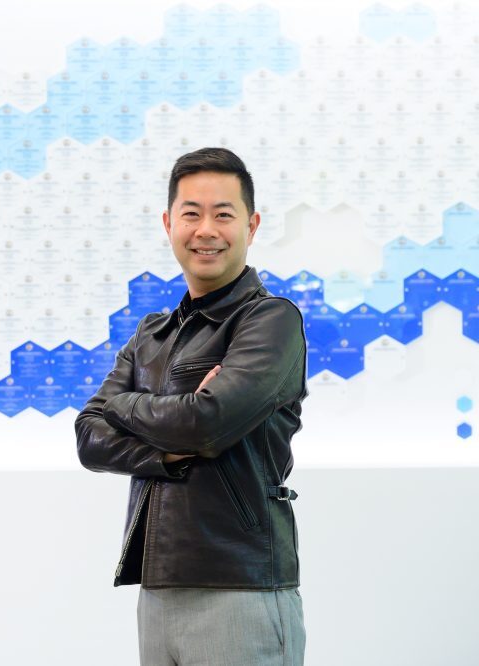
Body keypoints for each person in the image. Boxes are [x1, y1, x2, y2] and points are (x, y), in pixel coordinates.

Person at [75, 147, 307, 665]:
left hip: (240, 586)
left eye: (223, 214)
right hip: (157, 586)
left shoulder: (270, 321)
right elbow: (88, 436)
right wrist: (164, 451)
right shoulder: (151, 333)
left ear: (251, 226)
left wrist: (126, 404)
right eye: (191, 213)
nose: (206, 230)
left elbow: (206, 424)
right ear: (168, 224)